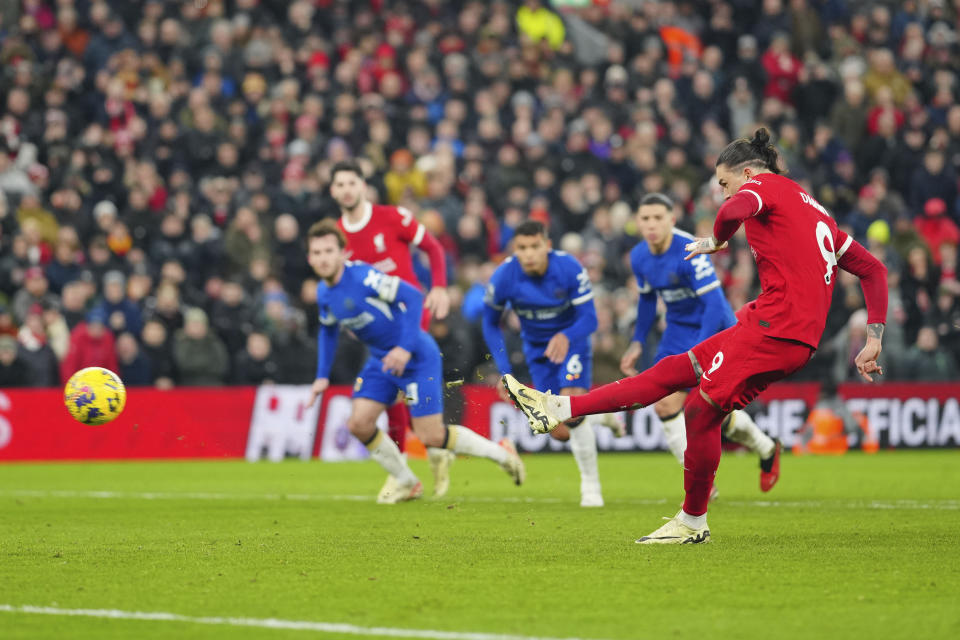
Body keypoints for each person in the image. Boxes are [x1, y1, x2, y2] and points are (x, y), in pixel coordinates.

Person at [503, 129, 888, 543]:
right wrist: (874, 336)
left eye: (723, 183)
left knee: (698, 413)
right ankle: (559, 406)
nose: (723, 193)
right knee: (671, 372)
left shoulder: (763, 186)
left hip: (777, 331)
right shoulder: (815, 211)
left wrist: (717, 240)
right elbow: (873, 270)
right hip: (772, 326)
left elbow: (735, 209)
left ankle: (692, 521)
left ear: (745, 171)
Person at [305, 219, 524, 503]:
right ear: (310, 258)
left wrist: (405, 349)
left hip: (416, 354)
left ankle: (501, 452)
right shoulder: (324, 292)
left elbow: (412, 295)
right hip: (382, 360)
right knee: (358, 423)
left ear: (343, 253)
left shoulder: (362, 277)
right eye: (317, 253)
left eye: (328, 251)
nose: (323, 258)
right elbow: (328, 329)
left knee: (431, 436)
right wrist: (322, 375)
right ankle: (406, 480)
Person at [620, 193, 782, 495]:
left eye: (658, 218)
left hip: (715, 328)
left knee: (712, 409)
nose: (652, 224)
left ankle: (765, 447)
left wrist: (697, 351)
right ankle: (704, 486)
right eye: (645, 218)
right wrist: (637, 342)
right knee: (666, 403)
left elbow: (713, 305)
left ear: (672, 220)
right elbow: (646, 300)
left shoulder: (688, 248)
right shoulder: (639, 256)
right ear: (638, 223)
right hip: (677, 331)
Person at [330, 159, 455, 499]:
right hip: (377, 328)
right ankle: (426, 455)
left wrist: (440, 286)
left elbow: (432, 247)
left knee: (395, 390)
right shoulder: (337, 240)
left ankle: (416, 461)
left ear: (363, 186)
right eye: (339, 185)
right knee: (390, 397)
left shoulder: (392, 217)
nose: (346, 190)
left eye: (351, 183)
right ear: (333, 191)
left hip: (411, 316)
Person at [482, 220, 623, 508]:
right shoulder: (504, 276)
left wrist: (566, 335)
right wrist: (504, 370)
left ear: (547, 245)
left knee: (572, 409)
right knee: (557, 430)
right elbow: (489, 323)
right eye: (522, 248)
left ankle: (591, 487)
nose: (529, 253)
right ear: (515, 250)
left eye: (535, 246)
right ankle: (604, 415)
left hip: (571, 345)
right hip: (537, 351)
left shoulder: (568, 268)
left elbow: (590, 319)